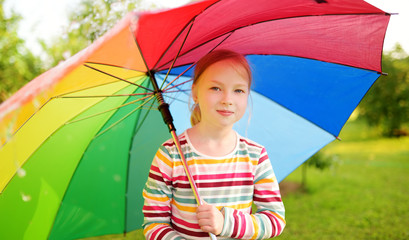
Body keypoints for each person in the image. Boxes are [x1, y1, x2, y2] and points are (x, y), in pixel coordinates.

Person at [142, 49, 285, 239]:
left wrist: (226, 222)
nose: (227, 100)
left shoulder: (255, 155)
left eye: (238, 90)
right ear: (195, 93)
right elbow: (154, 224)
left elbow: (274, 219)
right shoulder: (171, 155)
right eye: (215, 88)